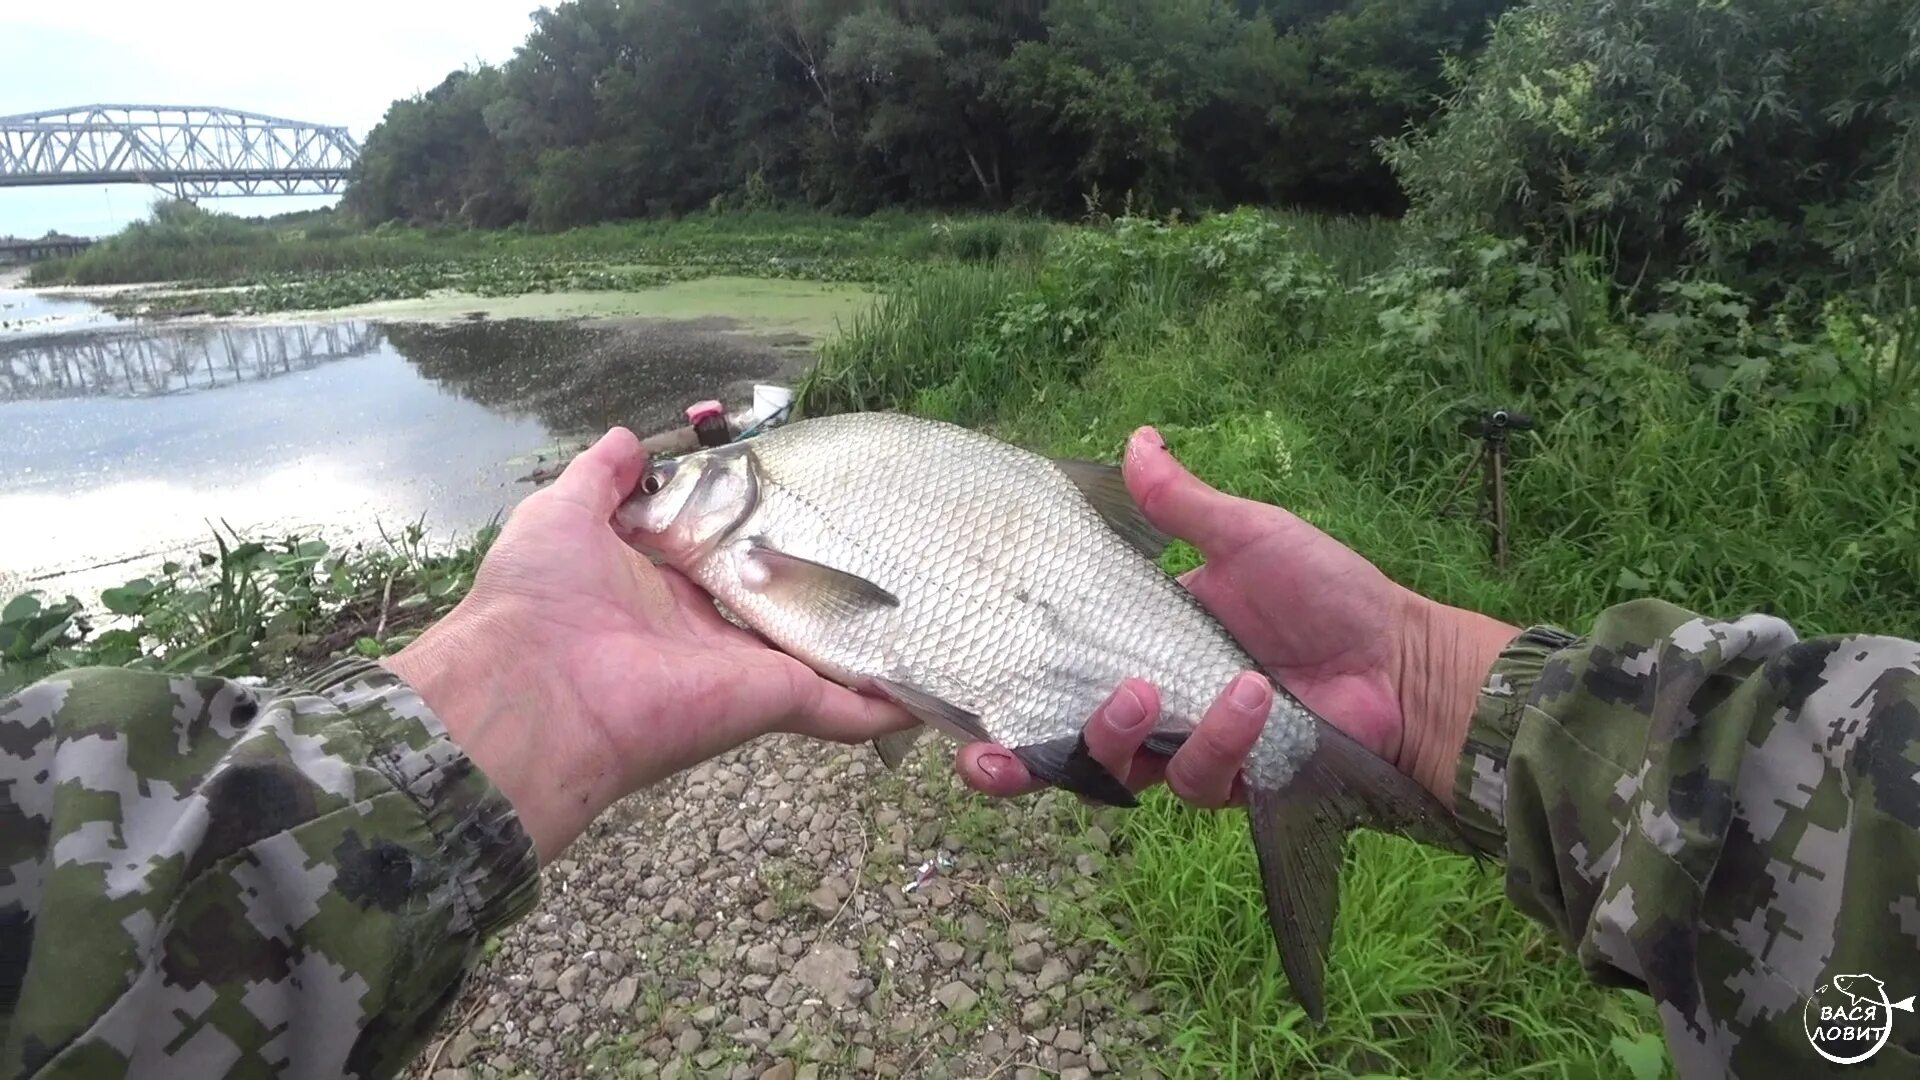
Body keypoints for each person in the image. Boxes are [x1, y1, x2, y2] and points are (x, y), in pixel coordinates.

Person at [0, 424, 1914, 1079]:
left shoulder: (751, 518)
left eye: (670, 485)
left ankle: (1335, 791)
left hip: (1054, 598)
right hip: (1059, 628)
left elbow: (849, 602)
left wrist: (1410, 677)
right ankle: (1363, 770)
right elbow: (854, 616)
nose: (649, 498)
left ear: (717, 492)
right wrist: (1427, 678)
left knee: (1082, 695)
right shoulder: (758, 524)